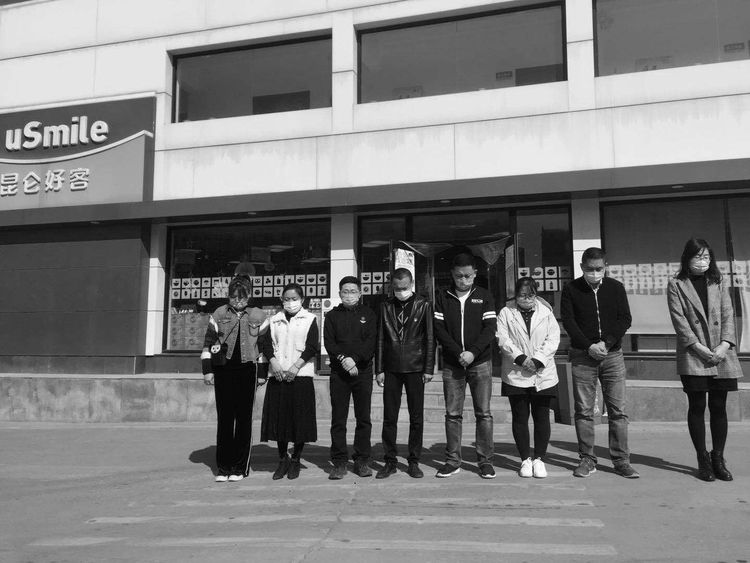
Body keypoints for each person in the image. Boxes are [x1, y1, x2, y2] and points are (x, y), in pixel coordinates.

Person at [667, 237, 743, 482]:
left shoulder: (718, 281)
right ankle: (702, 459)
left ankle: (718, 458)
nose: (703, 261)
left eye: (707, 257)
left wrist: (725, 344)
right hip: (694, 352)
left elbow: (728, 314)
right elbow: (679, 320)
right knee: (697, 406)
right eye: (698, 257)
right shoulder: (676, 284)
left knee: (719, 406)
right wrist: (699, 347)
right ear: (687, 258)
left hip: (721, 353)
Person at [561, 247, 639, 479]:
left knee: (618, 411)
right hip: (583, 356)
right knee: (584, 411)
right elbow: (569, 321)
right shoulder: (571, 289)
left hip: (612, 355)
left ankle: (621, 460)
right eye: (589, 269)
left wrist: (607, 342)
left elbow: (625, 318)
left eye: (598, 268)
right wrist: (589, 346)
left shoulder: (615, 288)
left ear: (606, 266)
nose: (594, 273)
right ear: (582, 267)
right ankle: (587, 459)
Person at [433, 253, 497, 479]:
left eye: (468, 276)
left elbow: (490, 328)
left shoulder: (484, 296)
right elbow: (439, 329)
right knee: (452, 414)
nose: (463, 280)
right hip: (453, 364)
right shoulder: (443, 296)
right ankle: (452, 461)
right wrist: (457, 353)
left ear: (475, 274)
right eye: (459, 276)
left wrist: (472, 352)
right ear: (452, 274)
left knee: (484, 413)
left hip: (480, 362)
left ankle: (486, 461)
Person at [201, 276, 268, 482]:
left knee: (244, 419)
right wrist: (207, 370)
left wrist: (262, 373)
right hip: (223, 369)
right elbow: (208, 342)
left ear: (250, 295)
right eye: (233, 296)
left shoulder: (259, 315)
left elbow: (264, 346)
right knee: (225, 418)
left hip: (248, 370)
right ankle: (223, 467)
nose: (238, 301)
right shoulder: (219, 313)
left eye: (242, 297)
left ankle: (239, 467)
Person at [374, 268, 435, 479]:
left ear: (412, 284)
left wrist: (429, 368)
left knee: (416, 417)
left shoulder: (423, 305)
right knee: (389, 417)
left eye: (405, 287)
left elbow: (430, 338)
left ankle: (413, 461)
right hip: (391, 368)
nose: (401, 291)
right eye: (397, 288)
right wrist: (379, 369)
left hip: (415, 367)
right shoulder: (385, 306)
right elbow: (380, 338)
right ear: (392, 286)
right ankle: (390, 461)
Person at [496, 277, 560, 479]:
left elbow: (553, 339)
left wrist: (538, 360)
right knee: (520, 417)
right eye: (522, 295)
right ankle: (525, 459)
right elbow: (502, 339)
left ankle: (539, 458)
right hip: (516, 373)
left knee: (542, 417)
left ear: (536, 294)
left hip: (543, 373)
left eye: (530, 295)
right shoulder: (506, 312)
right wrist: (522, 359)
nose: (526, 299)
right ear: (515, 295)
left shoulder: (546, 312)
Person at [260, 283, 320, 480]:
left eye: (294, 299)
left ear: (302, 300)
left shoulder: (310, 319)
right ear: (281, 300)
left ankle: (296, 459)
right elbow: (266, 344)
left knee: (299, 420)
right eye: (286, 299)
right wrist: (274, 362)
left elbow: (312, 346)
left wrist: (296, 367)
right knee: (280, 420)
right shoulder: (274, 320)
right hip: (278, 375)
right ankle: (282, 459)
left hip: (300, 376)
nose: (290, 302)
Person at [323, 276, 378, 480]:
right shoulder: (332, 316)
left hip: (362, 372)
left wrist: (354, 359)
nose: (349, 295)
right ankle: (339, 462)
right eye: (345, 291)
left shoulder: (368, 314)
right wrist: (343, 360)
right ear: (339, 293)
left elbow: (371, 342)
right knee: (339, 418)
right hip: (339, 372)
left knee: (363, 418)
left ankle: (362, 460)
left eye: (353, 291)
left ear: (360, 293)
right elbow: (329, 343)